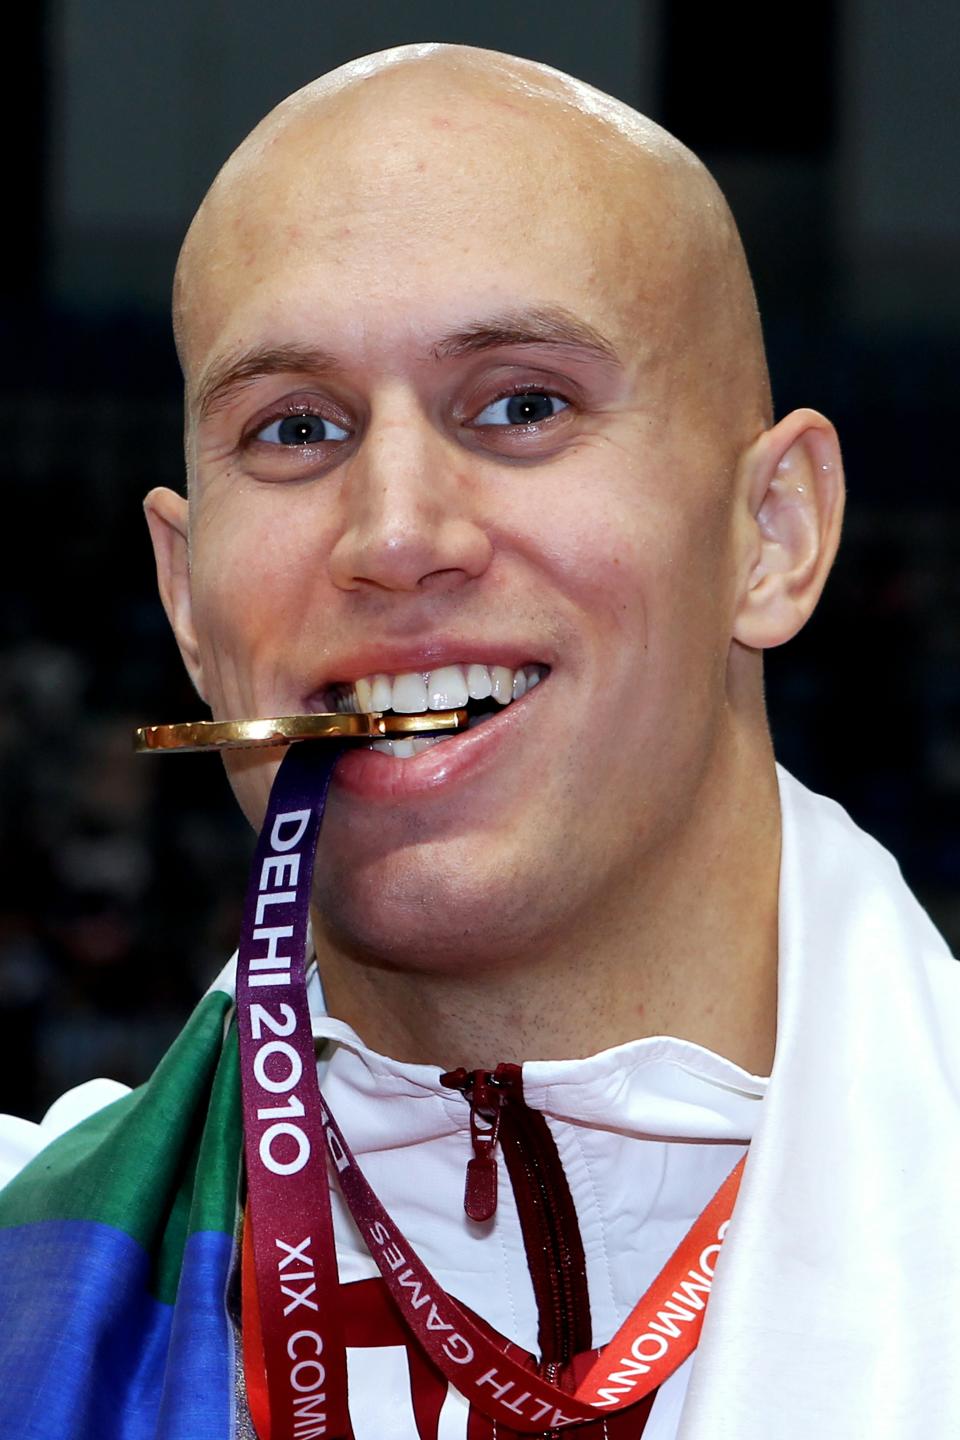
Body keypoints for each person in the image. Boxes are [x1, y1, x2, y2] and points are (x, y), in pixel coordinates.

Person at [1, 41, 958, 1440]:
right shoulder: (29, 1289)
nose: (394, 535)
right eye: (297, 428)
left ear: (774, 536)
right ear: (187, 604)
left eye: (523, 405)